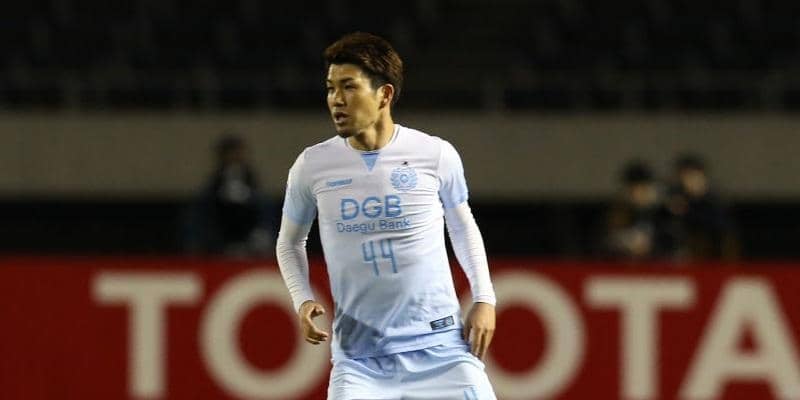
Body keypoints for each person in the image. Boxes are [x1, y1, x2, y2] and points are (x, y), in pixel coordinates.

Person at [276, 32, 497, 399]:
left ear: (384, 94)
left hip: (441, 349)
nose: (336, 100)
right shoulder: (311, 166)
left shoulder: (435, 154)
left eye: (349, 87)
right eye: (330, 88)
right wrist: (302, 299)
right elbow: (289, 242)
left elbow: (462, 226)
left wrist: (484, 298)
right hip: (359, 361)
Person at [182, 133, 275, 257]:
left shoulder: (253, 185)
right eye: (231, 154)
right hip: (220, 236)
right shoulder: (213, 187)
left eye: (238, 153)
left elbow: (264, 212)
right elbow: (203, 212)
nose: (235, 157)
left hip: (249, 234)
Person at [667, 153, 738, 260]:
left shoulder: (716, 201)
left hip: (713, 255)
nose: (690, 181)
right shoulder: (676, 198)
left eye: (693, 176)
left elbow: (724, 231)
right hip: (682, 255)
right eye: (685, 177)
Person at [603, 159, 678, 261]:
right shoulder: (619, 211)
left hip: (659, 263)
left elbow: (673, 243)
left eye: (643, 189)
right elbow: (608, 241)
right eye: (633, 189)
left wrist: (652, 244)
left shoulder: (664, 211)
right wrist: (625, 243)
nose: (637, 194)